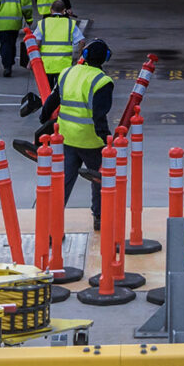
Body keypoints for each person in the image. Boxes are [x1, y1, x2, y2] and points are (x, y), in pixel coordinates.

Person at [30, 39, 118, 226]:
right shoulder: (102, 81)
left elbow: (52, 101)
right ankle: (99, 217)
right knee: (98, 179)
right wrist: (107, 140)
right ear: (106, 58)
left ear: (84, 55)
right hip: (91, 142)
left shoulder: (67, 72)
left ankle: (52, 226)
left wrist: (43, 119)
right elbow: (99, 115)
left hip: (66, 138)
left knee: (62, 183)